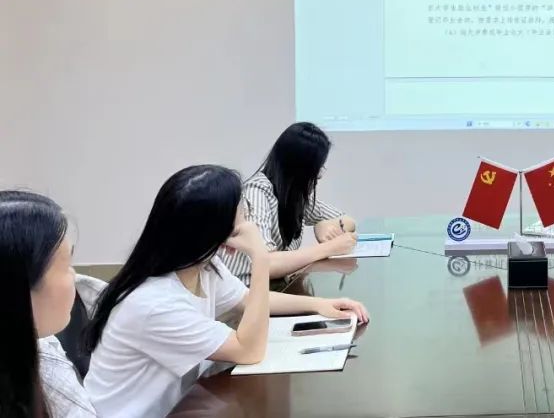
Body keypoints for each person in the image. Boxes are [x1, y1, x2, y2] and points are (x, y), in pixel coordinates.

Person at [84, 165, 369, 418]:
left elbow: (249, 300)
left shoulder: (203, 266)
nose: (249, 223)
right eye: (243, 215)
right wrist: (260, 258)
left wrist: (318, 305)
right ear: (213, 229)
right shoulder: (154, 303)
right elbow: (249, 350)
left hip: (178, 404)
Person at [219, 122, 358, 283]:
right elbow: (265, 264)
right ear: (302, 169)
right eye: (317, 169)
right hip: (245, 288)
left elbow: (349, 221)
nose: (319, 176)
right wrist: (328, 248)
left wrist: (323, 225)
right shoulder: (257, 193)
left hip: (274, 285)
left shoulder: (294, 196)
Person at [0, 189, 97, 418]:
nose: (74, 276)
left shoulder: (42, 348)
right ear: (17, 288)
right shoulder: (42, 365)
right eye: (66, 264)